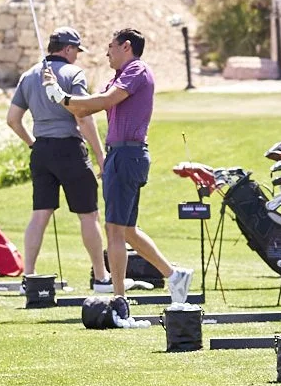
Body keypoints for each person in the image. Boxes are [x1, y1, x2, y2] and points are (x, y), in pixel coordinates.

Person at [55, 28, 193, 320]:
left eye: (111, 46)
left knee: (114, 230)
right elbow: (87, 108)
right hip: (121, 155)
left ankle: (120, 300)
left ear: (126, 47)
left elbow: (104, 101)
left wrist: (63, 98)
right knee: (127, 230)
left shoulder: (136, 70)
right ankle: (174, 274)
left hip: (128, 155)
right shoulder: (118, 76)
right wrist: (58, 97)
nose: (107, 52)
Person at [6, 26, 110, 290]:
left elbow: (13, 120)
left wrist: (33, 144)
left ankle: (29, 277)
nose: (77, 56)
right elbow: (83, 116)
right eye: (76, 50)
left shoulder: (29, 76)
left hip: (41, 151)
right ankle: (101, 277)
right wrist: (100, 155)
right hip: (69, 149)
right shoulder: (73, 73)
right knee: (88, 215)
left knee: (40, 214)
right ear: (67, 49)